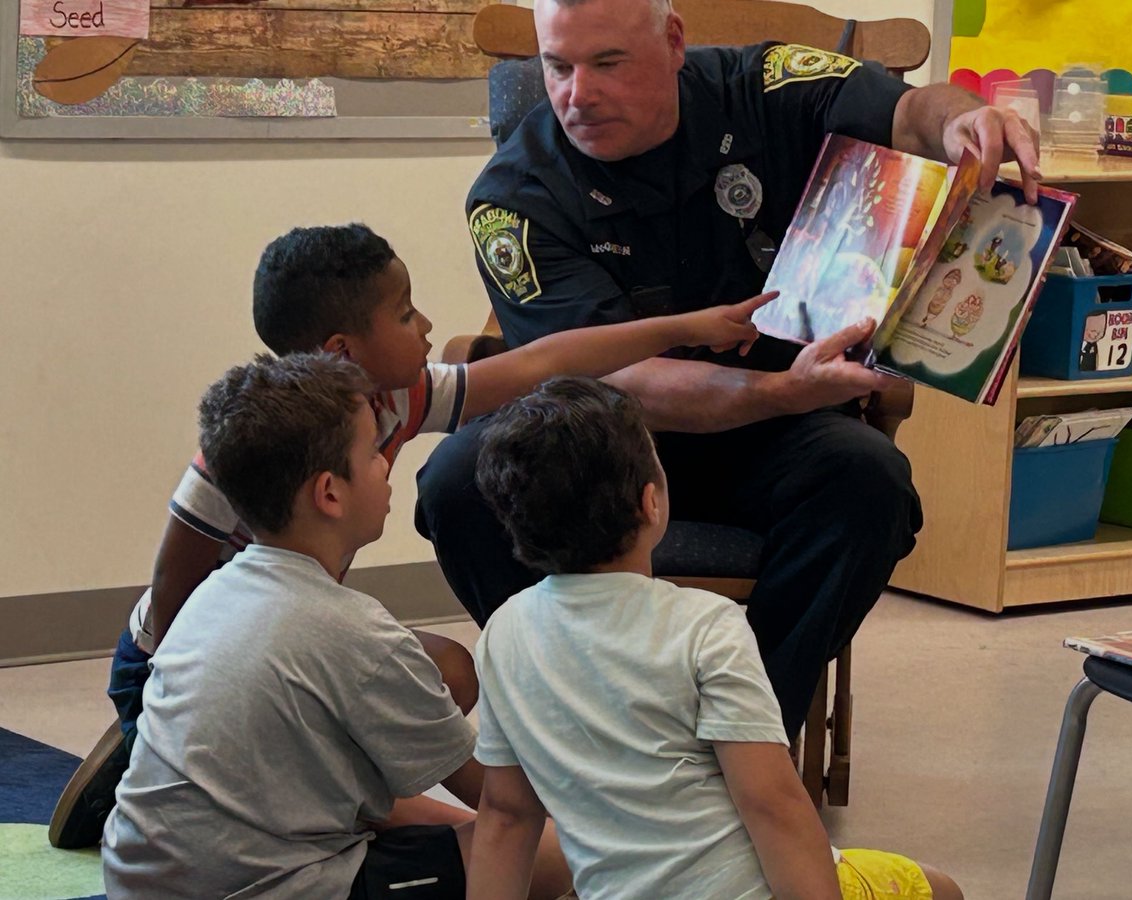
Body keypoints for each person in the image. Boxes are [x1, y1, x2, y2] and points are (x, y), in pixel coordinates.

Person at [416, 0, 1041, 739]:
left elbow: (908, 111)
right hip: (603, 438)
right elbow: (627, 381)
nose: (577, 94)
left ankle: (744, 737)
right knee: (456, 482)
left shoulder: (767, 84)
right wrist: (783, 389)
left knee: (869, 480)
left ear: (674, 41)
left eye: (608, 63)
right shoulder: (512, 199)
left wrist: (962, 121)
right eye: (557, 66)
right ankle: (580, 729)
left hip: (777, 434)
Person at [54, 222, 771, 849]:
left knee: (447, 672)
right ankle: (146, 751)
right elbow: (174, 601)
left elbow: (544, 361)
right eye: (403, 314)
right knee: (460, 804)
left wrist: (688, 327)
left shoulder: (395, 397)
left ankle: (298, 793)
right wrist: (178, 709)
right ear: (343, 350)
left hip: (288, 647)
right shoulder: (245, 448)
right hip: (177, 666)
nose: (426, 325)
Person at [468, 376, 963, 900]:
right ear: (651, 503)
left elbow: (505, 814)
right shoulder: (706, 625)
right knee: (938, 889)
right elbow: (772, 805)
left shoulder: (504, 633)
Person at [102, 353, 574, 898]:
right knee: (559, 854)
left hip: (137, 880)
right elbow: (502, 803)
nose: (385, 463)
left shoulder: (213, 590)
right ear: (329, 493)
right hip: (273, 885)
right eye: (374, 450)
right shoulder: (359, 635)